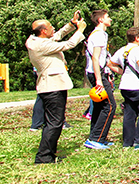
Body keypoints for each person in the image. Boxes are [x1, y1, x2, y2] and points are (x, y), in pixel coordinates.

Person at [26, 11, 87, 164]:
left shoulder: (35, 40)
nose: (53, 27)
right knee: (55, 123)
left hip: (49, 86)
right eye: (50, 26)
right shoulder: (41, 45)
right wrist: (80, 30)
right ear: (43, 31)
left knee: (53, 122)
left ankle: (49, 153)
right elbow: (68, 44)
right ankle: (44, 157)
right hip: (52, 87)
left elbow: (57, 35)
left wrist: (71, 25)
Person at [109, 26, 139, 150]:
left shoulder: (123, 50)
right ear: (137, 38)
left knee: (130, 113)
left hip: (125, 86)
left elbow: (110, 63)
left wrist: (122, 72)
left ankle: (128, 142)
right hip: (137, 86)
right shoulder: (138, 50)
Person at [84, 9, 115, 149]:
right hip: (97, 74)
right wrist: (98, 80)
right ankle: (97, 138)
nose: (110, 19)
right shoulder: (98, 35)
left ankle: (95, 136)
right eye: (108, 17)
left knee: (99, 106)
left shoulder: (102, 34)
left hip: (99, 72)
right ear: (100, 20)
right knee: (109, 106)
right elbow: (95, 58)